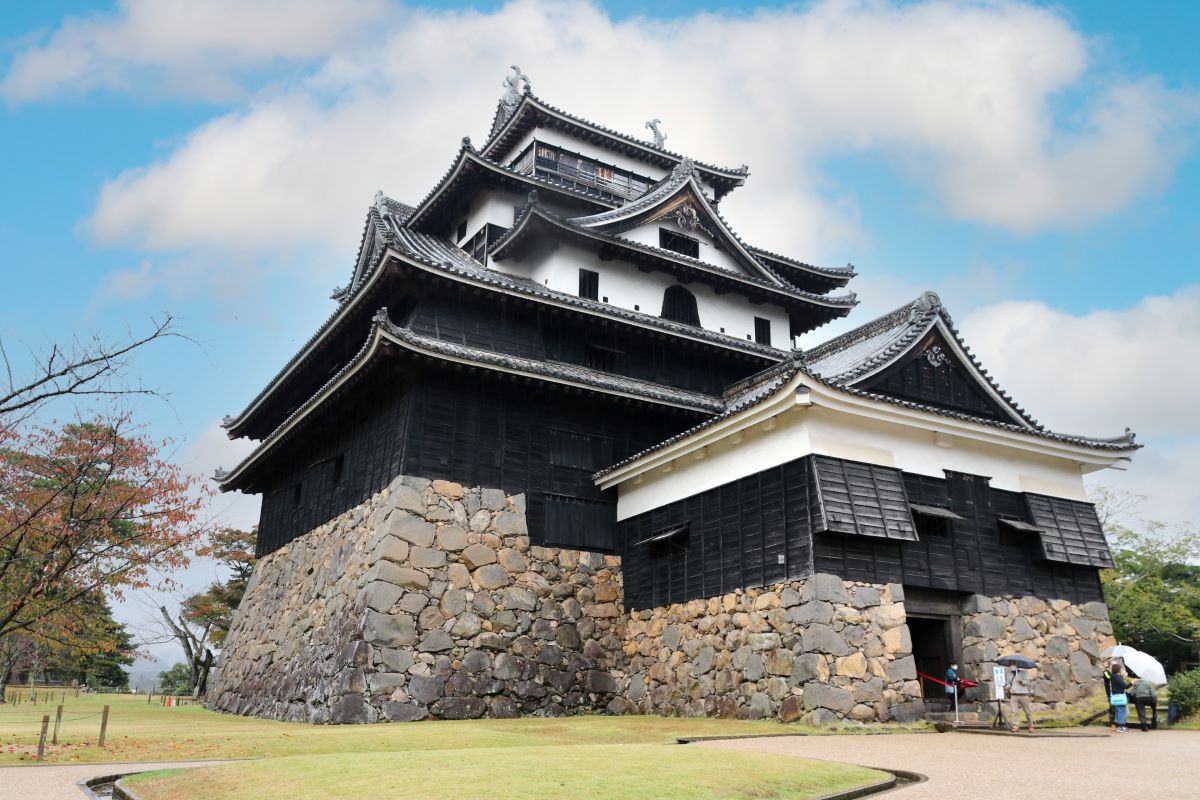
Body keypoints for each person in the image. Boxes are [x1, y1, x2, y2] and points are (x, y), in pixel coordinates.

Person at [1008, 666, 1034, 732]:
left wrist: (1021, 681)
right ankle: (1015, 726)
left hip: (1023, 694)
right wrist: (1009, 689)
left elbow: (1027, 682)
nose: (1012, 666)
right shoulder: (1009, 674)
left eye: (1013, 664)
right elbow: (1008, 683)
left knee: (1027, 711)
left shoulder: (1023, 673)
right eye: (1011, 664)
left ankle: (1031, 725)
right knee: (1014, 711)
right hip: (1014, 695)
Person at [1110, 665, 1130, 732]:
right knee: (1122, 711)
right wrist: (1132, 682)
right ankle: (1121, 727)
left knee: (1119, 711)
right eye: (1121, 669)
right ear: (1118, 670)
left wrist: (1122, 676)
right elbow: (1125, 686)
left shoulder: (1113, 677)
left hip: (1115, 696)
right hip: (1120, 697)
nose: (1121, 670)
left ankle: (1121, 726)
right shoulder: (1118, 678)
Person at [1103, 663, 1116, 730]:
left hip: (1116, 693)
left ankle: (1119, 723)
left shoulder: (1115, 674)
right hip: (1110, 694)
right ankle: (1112, 724)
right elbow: (1108, 677)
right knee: (1112, 709)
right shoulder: (1106, 672)